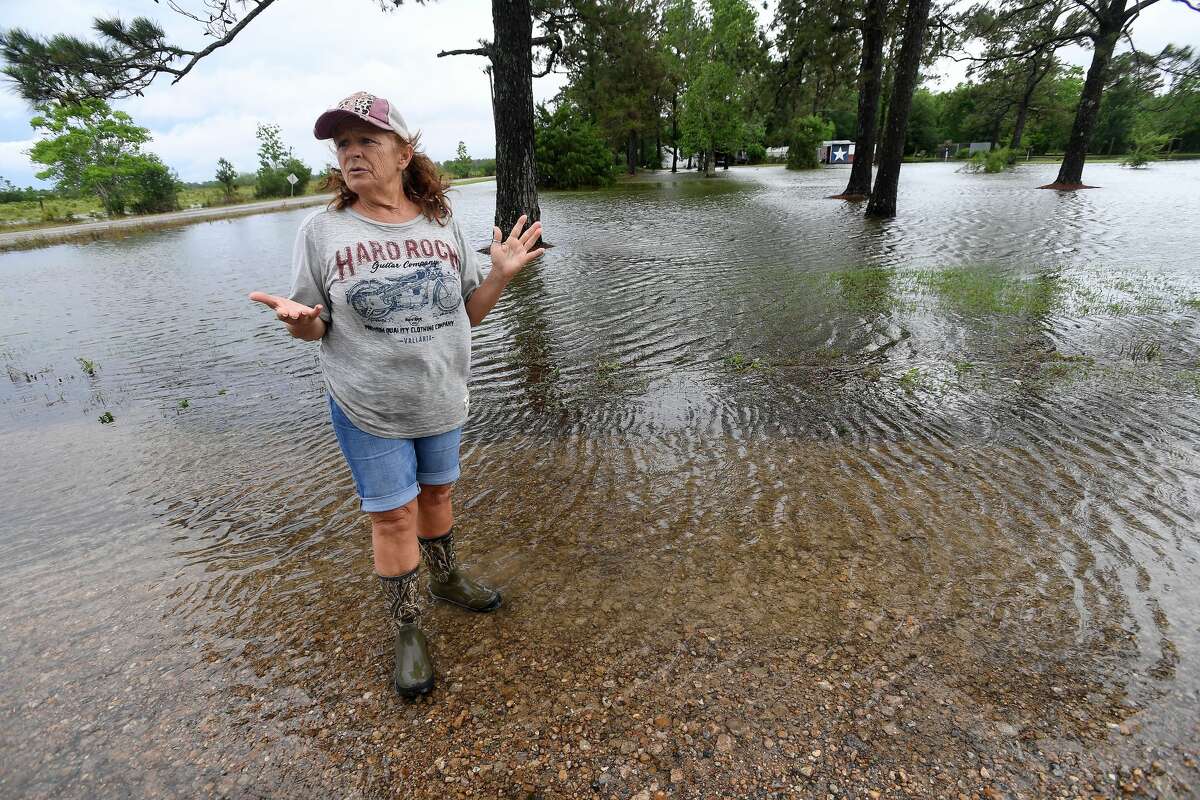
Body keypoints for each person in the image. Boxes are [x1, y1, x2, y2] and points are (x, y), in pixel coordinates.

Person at [248, 91, 544, 698]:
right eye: (343, 145)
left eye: (367, 141)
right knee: (393, 514)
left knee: (436, 493)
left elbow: (468, 315)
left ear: (404, 152)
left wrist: (498, 276)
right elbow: (315, 321)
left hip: (439, 394)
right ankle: (408, 627)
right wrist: (303, 323)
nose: (352, 154)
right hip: (367, 401)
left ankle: (446, 578)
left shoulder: (443, 223)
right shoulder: (323, 230)